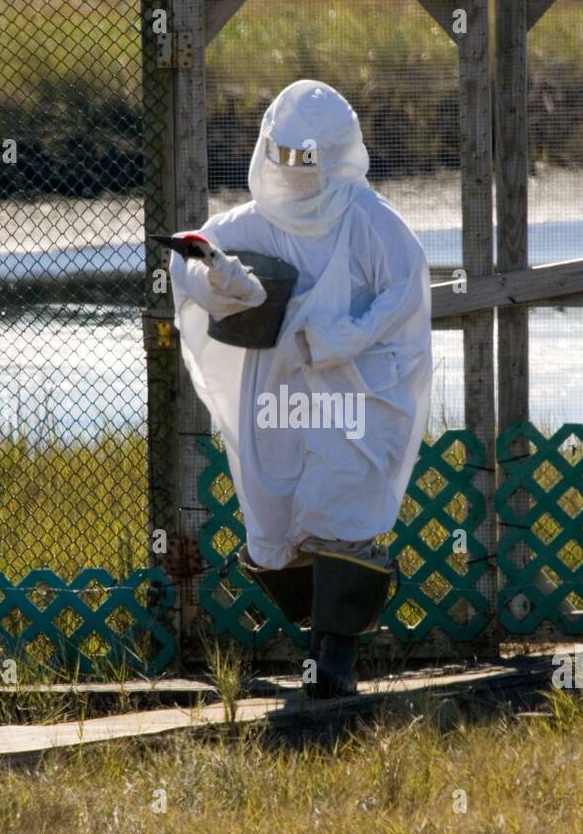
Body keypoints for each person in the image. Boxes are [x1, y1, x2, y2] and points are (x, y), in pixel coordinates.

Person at [167, 80, 432, 698]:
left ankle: (333, 662)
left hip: (359, 395)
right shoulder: (253, 225)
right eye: (283, 158)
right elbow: (195, 261)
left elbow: (404, 300)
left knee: (340, 510)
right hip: (278, 396)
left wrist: (336, 337)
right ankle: (317, 645)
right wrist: (217, 277)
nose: (293, 174)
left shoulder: (372, 225)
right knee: (276, 517)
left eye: (304, 161)